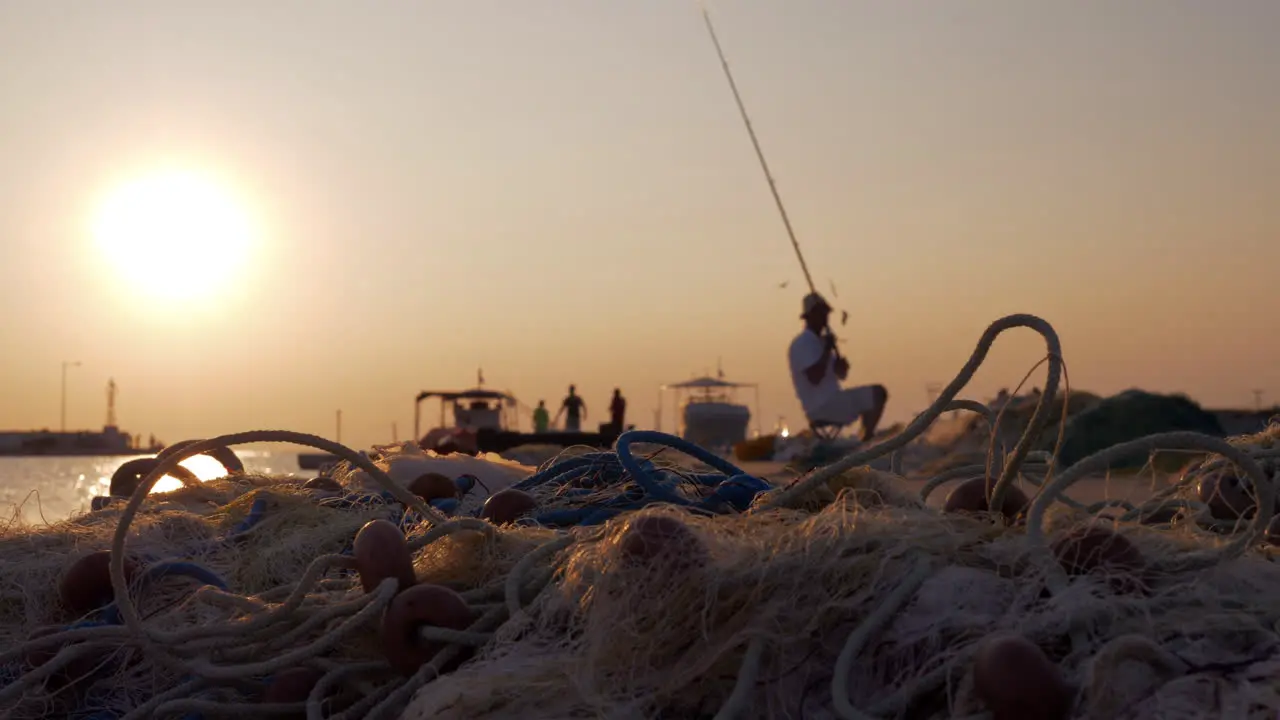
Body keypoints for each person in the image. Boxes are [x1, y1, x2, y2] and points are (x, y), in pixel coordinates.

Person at [788, 293, 888, 442]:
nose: (825, 318)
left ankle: (866, 435)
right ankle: (867, 440)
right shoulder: (803, 343)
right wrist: (827, 350)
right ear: (810, 316)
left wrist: (840, 366)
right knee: (878, 393)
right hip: (823, 406)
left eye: (826, 314)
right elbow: (814, 378)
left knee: (873, 396)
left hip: (834, 401)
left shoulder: (820, 342)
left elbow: (840, 375)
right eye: (821, 314)